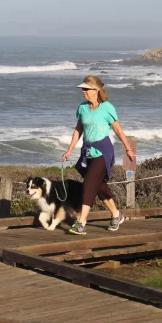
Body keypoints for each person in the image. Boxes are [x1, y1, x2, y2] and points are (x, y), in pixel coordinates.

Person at [62, 75, 135, 235]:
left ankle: (81, 222)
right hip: (88, 152)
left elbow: (117, 129)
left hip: (103, 151)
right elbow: (78, 130)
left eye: (87, 89)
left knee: (88, 184)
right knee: (99, 186)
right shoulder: (82, 108)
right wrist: (69, 150)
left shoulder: (107, 107)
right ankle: (116, 215)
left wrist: (128, 148)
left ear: (96, 90)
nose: (84, 92)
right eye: (83, 89)